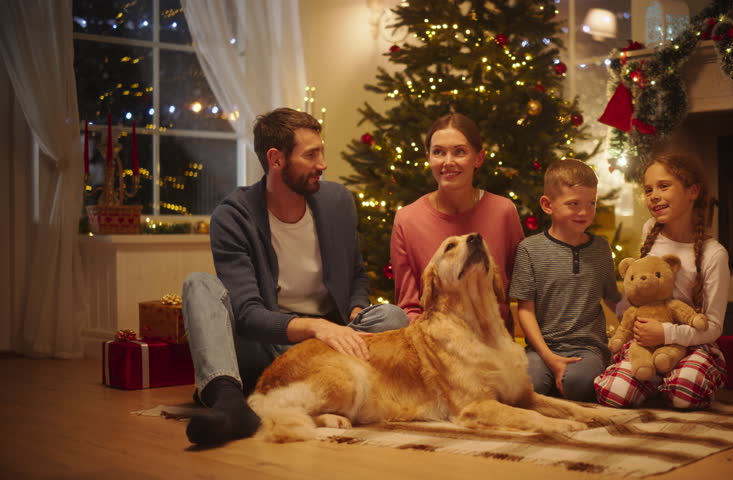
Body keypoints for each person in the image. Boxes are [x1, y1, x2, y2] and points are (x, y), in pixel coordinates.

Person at [181, 108, 408, 445]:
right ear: (276, 160)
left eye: (321, 151)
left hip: (326, 352)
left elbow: (357, 273)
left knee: (391, 316)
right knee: (198, 284)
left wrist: (357, 311)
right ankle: (229, 402)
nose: (323, 164)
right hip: (266, 347)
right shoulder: (233, 217)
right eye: (311, 154)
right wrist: (314, 326)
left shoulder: (337, 202)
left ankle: (333, 397)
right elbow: (247, 314)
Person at [593, 153, 730, 410]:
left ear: (693, 191)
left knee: (686, 394)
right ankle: (656, 380)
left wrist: (667, 332)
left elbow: (712, 327)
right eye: (648, 189)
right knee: (613, 394)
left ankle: (676, 380)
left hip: (691, 344)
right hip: (648, 344)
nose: (653, 195)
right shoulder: (650, 231)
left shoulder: (714, 254)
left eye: (663, 186)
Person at [390, 113, 525, 331]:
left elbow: (521, 289)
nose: (448, 162)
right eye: (438, 152)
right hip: (438, 347)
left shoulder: (503, 212)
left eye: (459, 152)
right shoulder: (407, 220)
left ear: (479, 158)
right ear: (428, 157)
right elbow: (409, 306)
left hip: (494, 342)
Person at [508, 159, 622, 403]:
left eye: (591, 204)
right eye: (574, 204)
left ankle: (564, 382)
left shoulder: (600, 248)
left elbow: (613, 298)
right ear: (548, 205)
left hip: (587, 348)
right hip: (542, 348)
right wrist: (549, 357)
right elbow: (525, 311)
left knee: (578, 385)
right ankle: (552, 379)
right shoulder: (529, 249)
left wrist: (636, 326)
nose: (584, 212)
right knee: (528, 386)